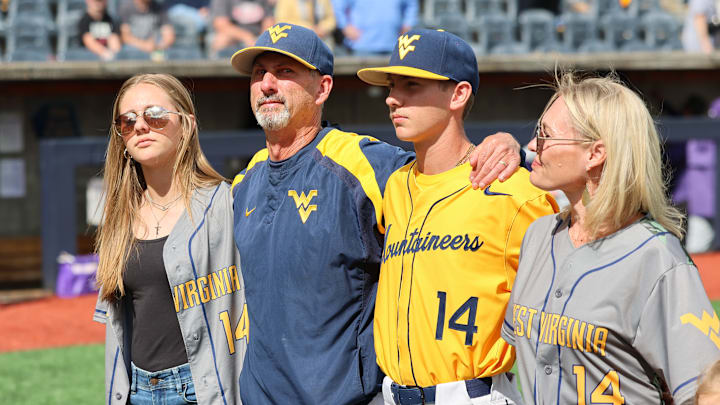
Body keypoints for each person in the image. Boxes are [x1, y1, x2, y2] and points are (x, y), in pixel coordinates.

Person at [228, 23, 524, 405]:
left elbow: (447, 172)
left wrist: (512, 148)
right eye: (258, 73)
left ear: (323, 89)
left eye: (285, 72)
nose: (267, 84)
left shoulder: (364, 165)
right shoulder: (242, 183)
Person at [356, 28, 558, 405]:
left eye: (411, 85)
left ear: (459, 94)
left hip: (473, 394)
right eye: (392, 85)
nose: (392, 98)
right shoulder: (395, 186)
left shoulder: (512, 190)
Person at [501, 72, 720, 404]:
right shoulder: (538, 236)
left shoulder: (658, 257)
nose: (532, 146)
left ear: (595, 153)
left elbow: (708, 390)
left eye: (545, 134)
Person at [92, 73, 245, 405]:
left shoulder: (227, 203)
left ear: (186, 123)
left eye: (155, 115)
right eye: (127, 121)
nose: (141, 126)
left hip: (201, 388)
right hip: (137, 391)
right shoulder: (119, 216)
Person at [331, 0, 418, 55]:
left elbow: (411, 5)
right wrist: (345, 27)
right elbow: (337, 7)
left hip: (394, 44)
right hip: (363, 45)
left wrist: (408, 24)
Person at [209, 0, 274, 58]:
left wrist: (260, 40)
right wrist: (247, 37)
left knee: (271, 40)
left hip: (257, 37)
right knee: (221, 40)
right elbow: (221, 24)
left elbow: (269, 22)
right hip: (234, 37)